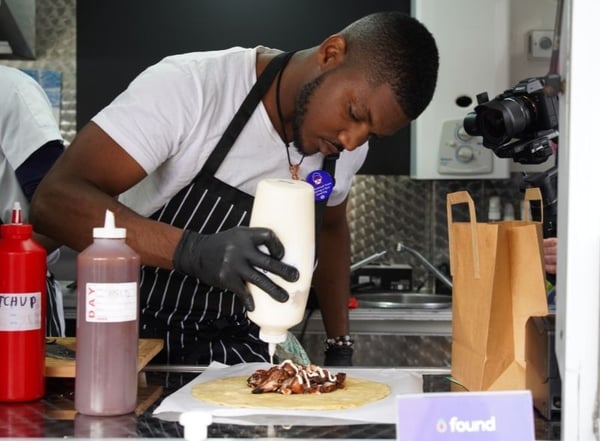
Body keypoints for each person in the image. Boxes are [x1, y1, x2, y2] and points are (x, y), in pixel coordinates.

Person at [31, 11, 439, 365]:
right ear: (330, 54)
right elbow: (55, 200)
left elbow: (331, 230)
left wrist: (339, 345)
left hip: (242, 349)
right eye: (353, 113)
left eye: (371, 135)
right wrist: (190, 250)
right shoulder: (192, 88)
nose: (352, 140)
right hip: (131, 341)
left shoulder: (344, 149)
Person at [0, 65, 66, 336]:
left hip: (14, 294)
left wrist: (12, 261)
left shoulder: (9, 89)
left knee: (21, 377)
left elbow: (62, 209)